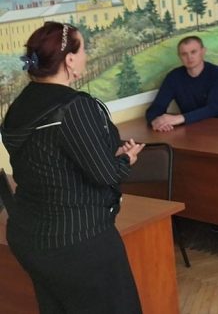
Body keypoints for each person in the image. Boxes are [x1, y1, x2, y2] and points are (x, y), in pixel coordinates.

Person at [1, 22, 144, 313]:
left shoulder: (19, 105)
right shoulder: (74, 107)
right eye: (83, 49)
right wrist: (125, 159)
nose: (86, 55)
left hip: (28, 235)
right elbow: (106, 175)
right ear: (69, 60)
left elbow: (50, 160)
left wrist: (104, 155)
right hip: (77, 240)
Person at [146, 36, 218, 131]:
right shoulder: (173, 77)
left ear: (203, 51)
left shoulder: (217, 73)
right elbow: (157, 107)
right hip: (192, 127)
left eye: (193, 52)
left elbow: (213, 108)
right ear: (179, 57)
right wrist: (155, 122)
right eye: (184, 54)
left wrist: (179, 118)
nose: (189, 57)